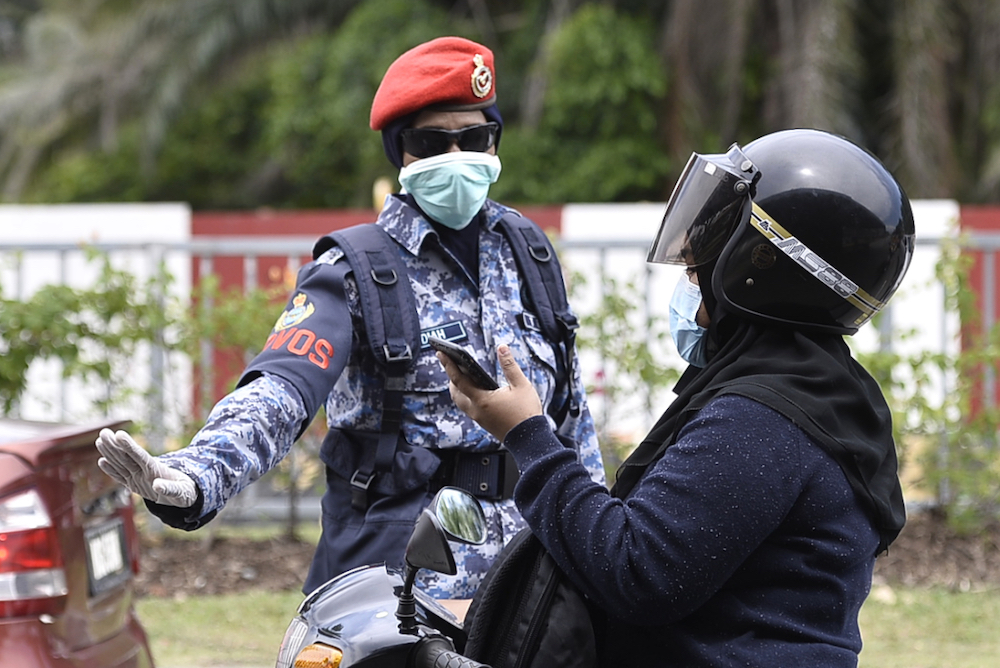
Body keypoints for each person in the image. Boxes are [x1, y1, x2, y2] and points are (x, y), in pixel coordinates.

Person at [95, 36, 605, 599]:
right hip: (408, 579)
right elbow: (282, 389)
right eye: (432, 141)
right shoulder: (355, 270)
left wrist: (599, 545)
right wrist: (196, 473)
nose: (457, 157)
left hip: (531, 573)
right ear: (400, 151)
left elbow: (571, 418)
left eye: (475, 137)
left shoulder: (528, 253)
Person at [441, 129, 914, 665]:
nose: (691, 265)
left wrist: (527, 436)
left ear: (760, 264)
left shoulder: (763, 419)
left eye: (704, 255)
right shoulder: (816, 391)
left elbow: (638, 572)